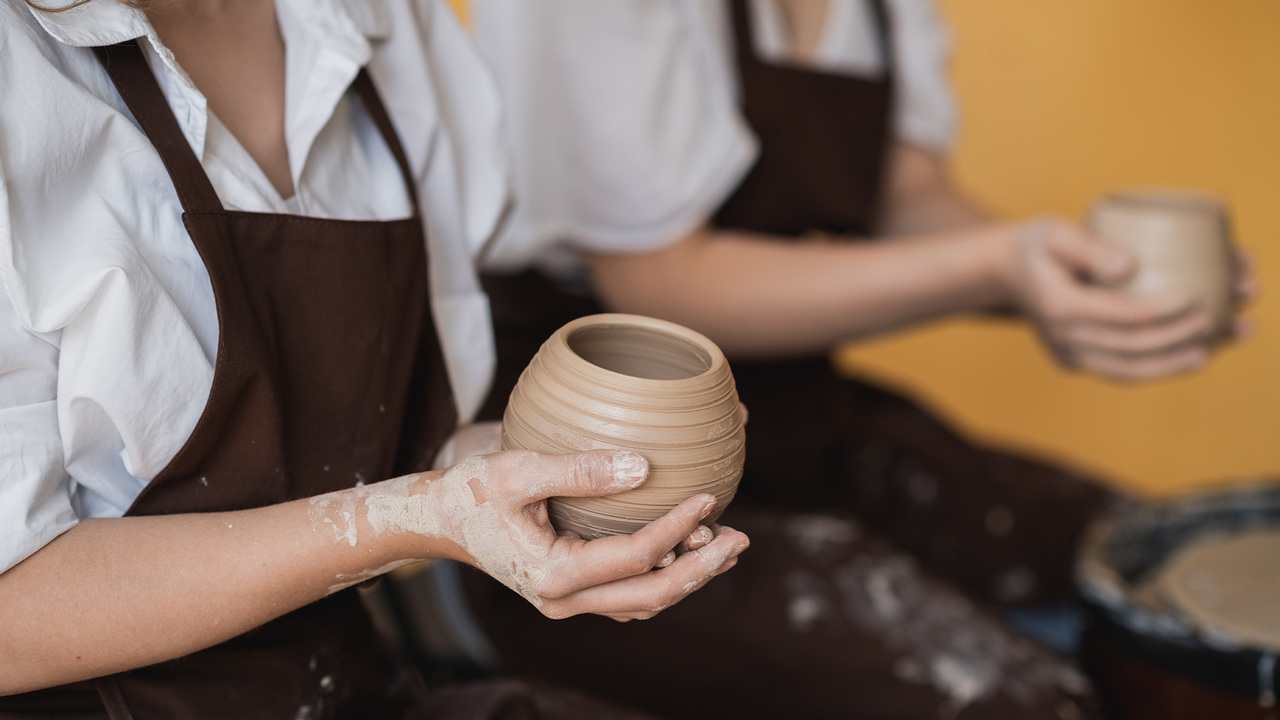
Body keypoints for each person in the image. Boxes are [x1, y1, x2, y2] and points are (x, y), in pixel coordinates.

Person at [451, 0, 1255, 717]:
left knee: (1145, 561)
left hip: (800, 411)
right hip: (609, 480)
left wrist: (1075, 285)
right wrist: (1003, 265)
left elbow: (905, 196)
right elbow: (661, 280)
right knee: (1013, 698)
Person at [0, 1, 749, 717]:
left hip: (342, 681)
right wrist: (414, 519)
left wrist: (576, 473)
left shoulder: (378, 16)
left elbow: (404, 455)